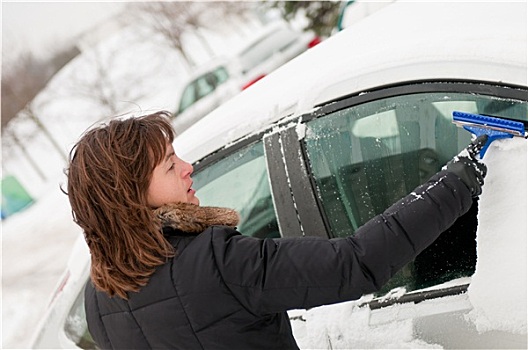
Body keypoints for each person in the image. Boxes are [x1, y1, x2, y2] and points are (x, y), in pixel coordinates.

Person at [66, 111, 487, 350]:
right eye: (169, 164)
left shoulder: (99, 302)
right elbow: (355, 264)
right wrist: (461, 178)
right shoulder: (216, 262)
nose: (188, 167)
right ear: (133, 196)